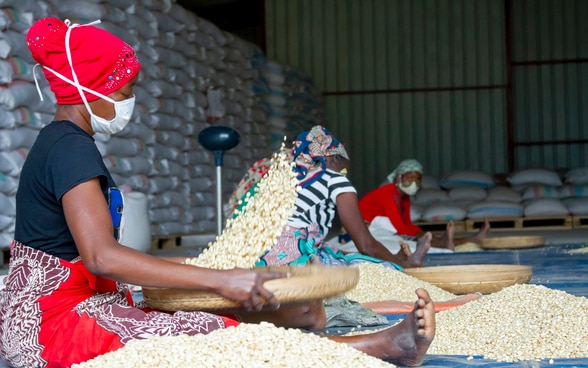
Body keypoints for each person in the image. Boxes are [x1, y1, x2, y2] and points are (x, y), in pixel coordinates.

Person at [0, 18, 435, 368]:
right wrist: (219, 278)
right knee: (206, 335)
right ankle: (377, 348)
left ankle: (347, 340)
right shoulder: (70, 150)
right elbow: (101, 256)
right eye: (124, 92)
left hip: (80, 301)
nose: (129, 101)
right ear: (86, 90)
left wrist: (213, 274)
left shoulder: (67, 144)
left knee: (293, 311)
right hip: (50, 325)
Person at [359, 159, 491, 250]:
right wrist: (427, 237)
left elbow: (407, 224)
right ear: (399, 178)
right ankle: (465, 240)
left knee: (425, 237)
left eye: (418, 180)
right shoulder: (388, 194)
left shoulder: (404, 196)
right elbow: (398, 228)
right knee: (419, 239)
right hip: (366, 230)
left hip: (385, 229)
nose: (414, 183)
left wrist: (428, 234)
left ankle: (450, 240)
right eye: (410, 178)